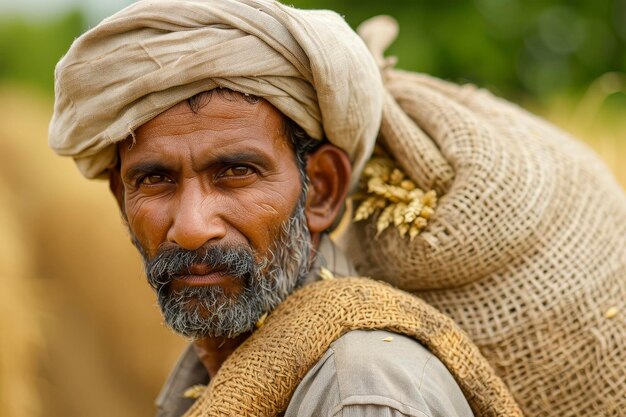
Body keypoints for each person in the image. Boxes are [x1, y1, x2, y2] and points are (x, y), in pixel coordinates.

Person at [50, 0, 626, 416]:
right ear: (122, 200)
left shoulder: (360, 393)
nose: (193, 225)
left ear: (321, 189)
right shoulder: (225, 371)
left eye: (236, 173)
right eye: (154, 180)